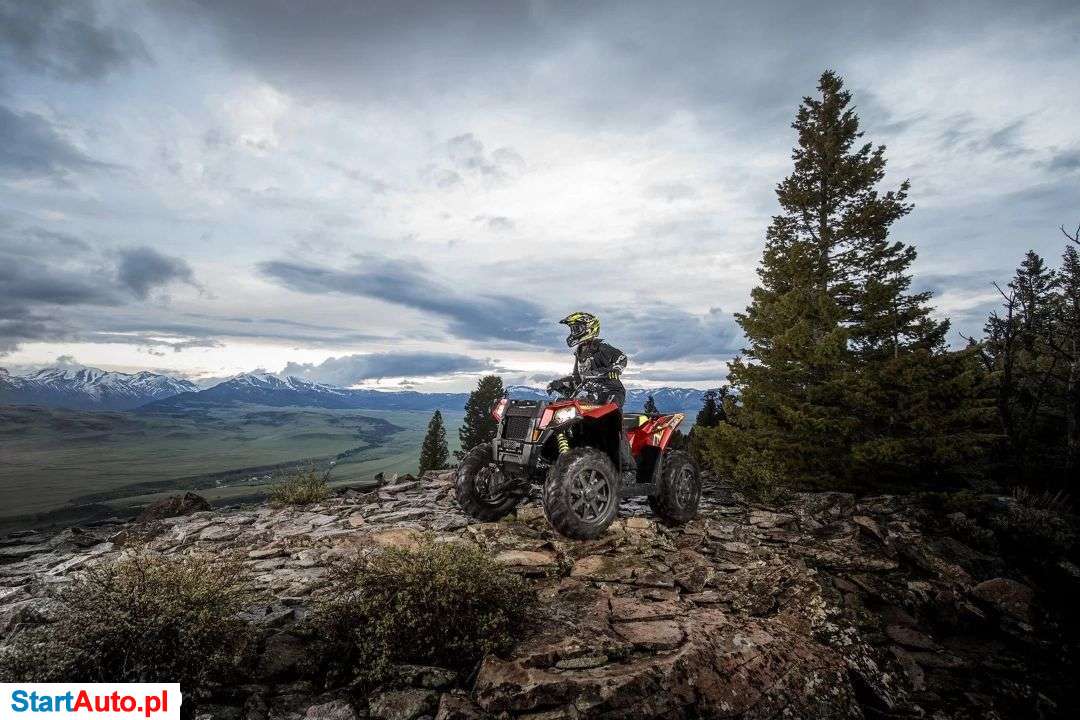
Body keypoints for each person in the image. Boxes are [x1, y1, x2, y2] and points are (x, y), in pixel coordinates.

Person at [547, 311, 628, 407]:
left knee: (607, 410)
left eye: (576, 329)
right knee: (565, 402)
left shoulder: (600, 346)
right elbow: (577, 377)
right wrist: (558, 383)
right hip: (589, 390)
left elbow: (622, 357)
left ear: (589, 328)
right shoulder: (579, 351)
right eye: (573, 329)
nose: (574, 332)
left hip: (610, 391)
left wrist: (616, 369)